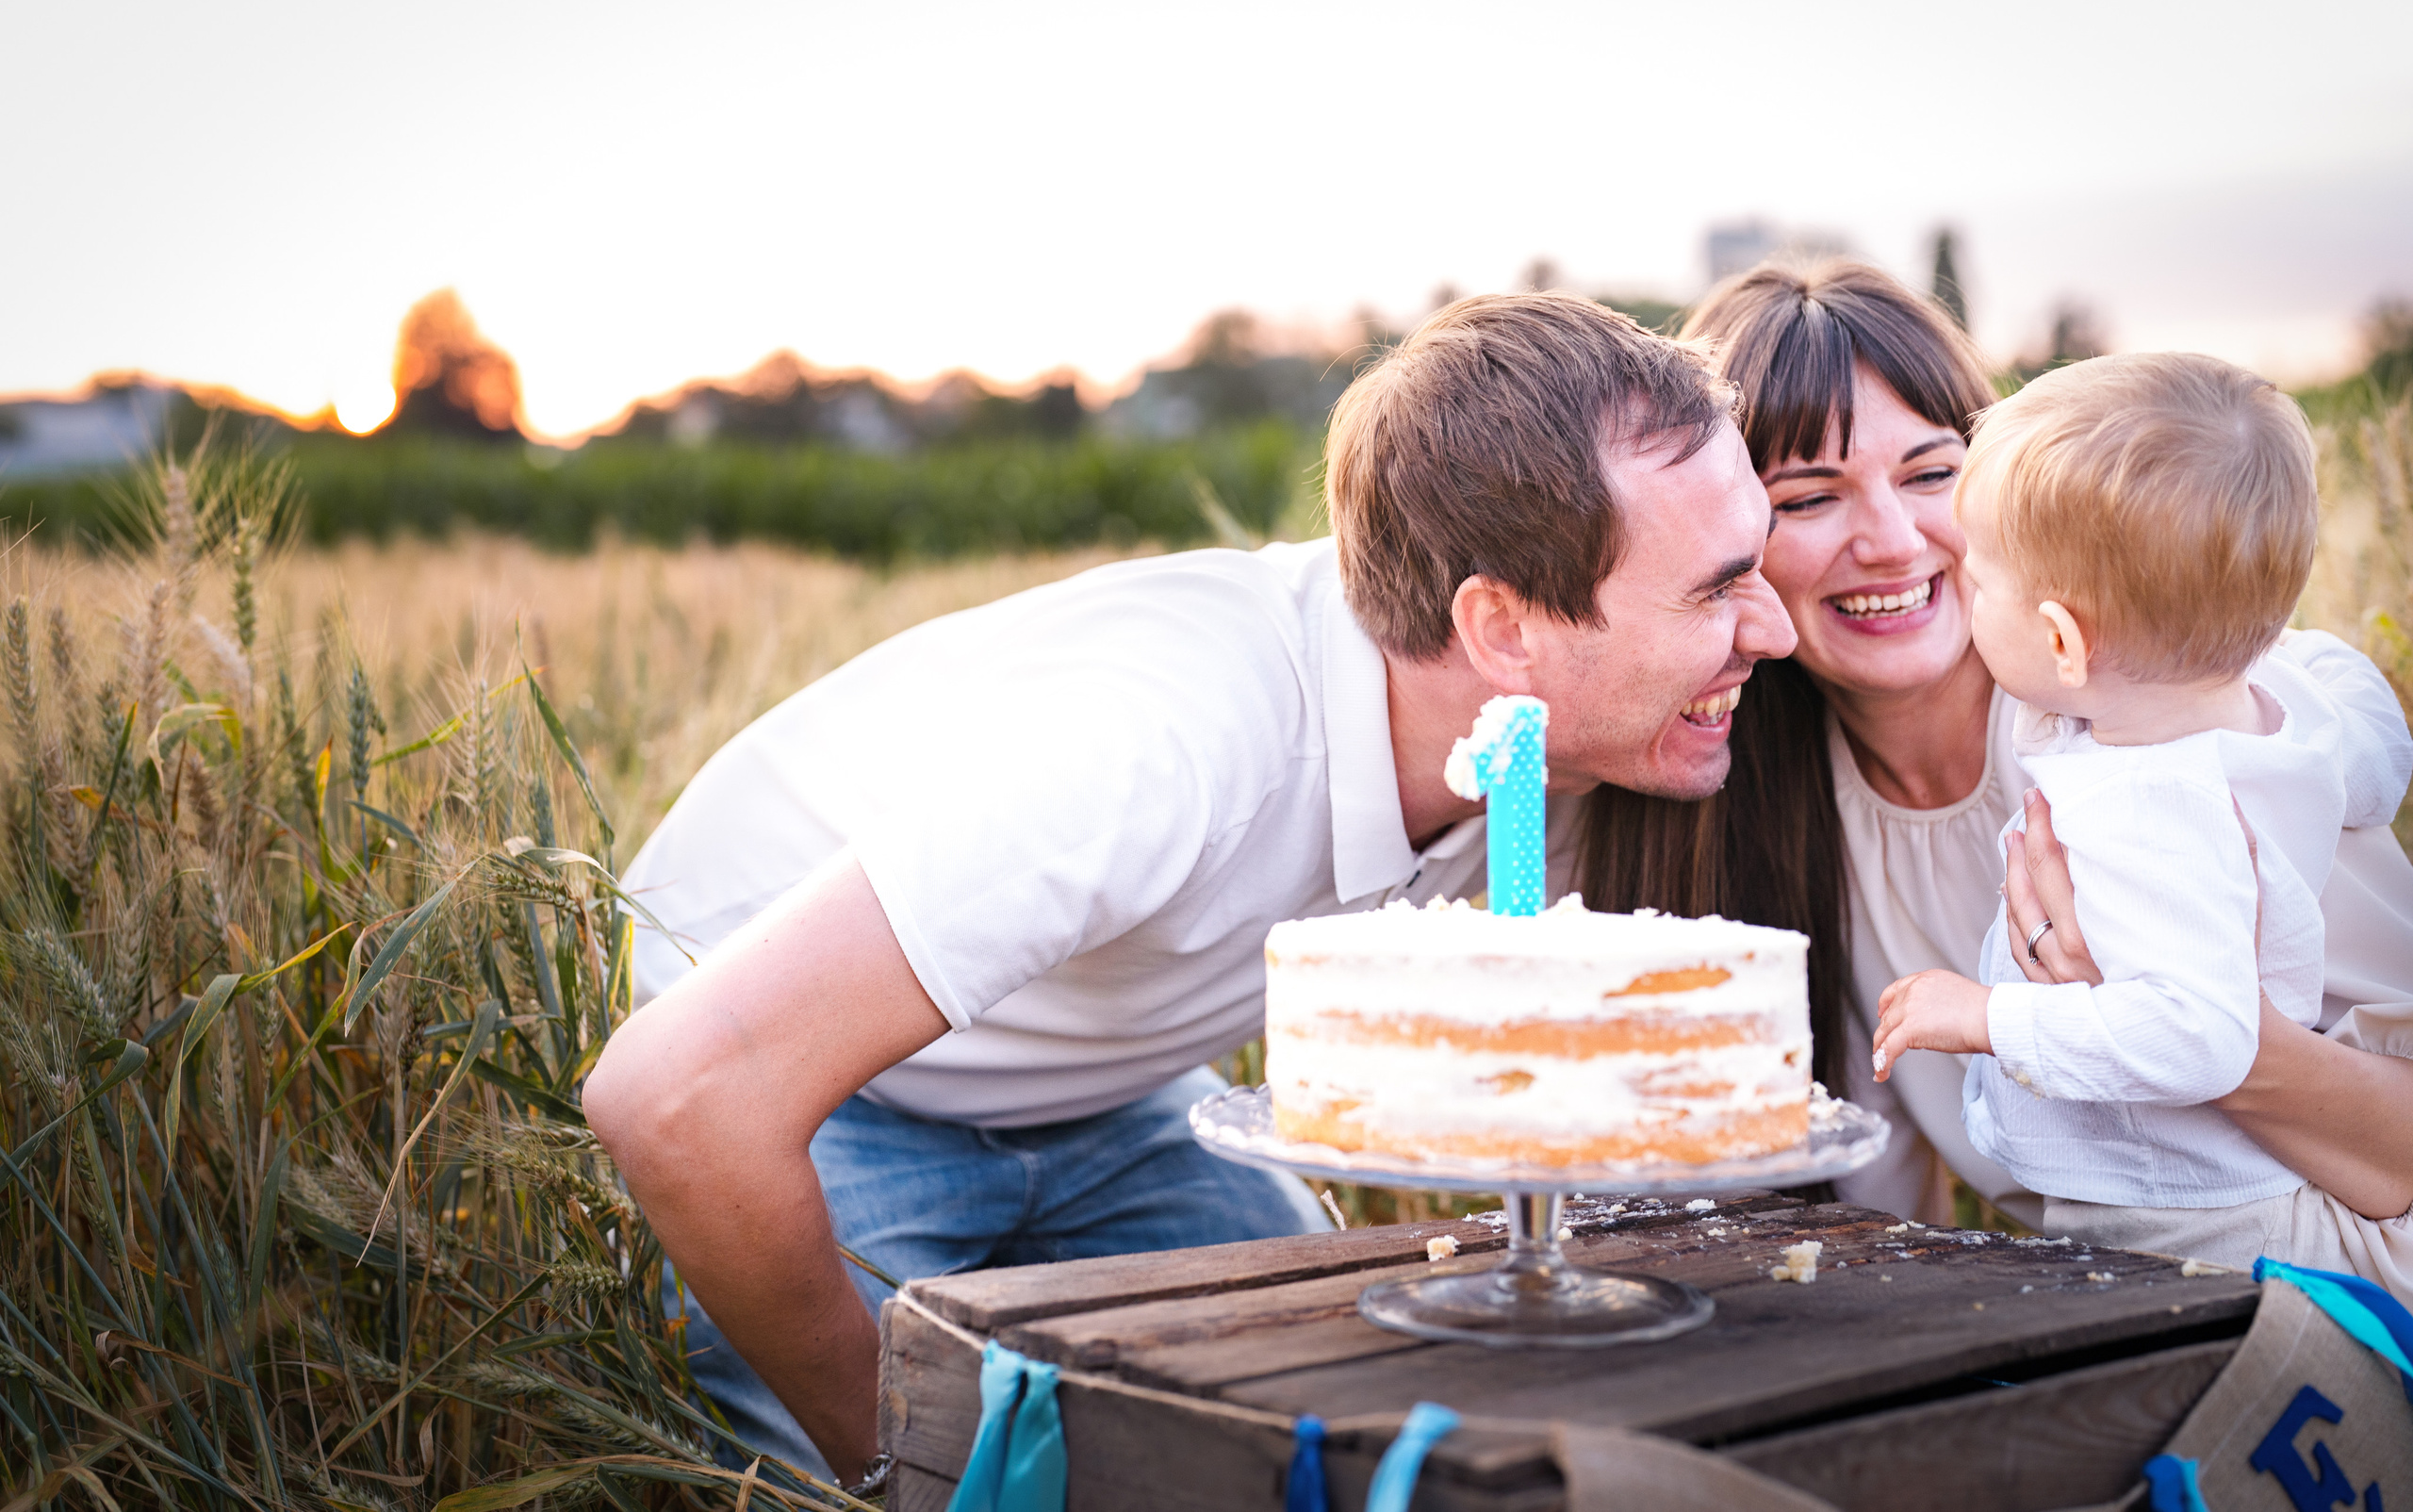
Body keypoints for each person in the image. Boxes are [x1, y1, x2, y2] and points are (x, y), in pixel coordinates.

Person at [583, 291, 1797, 1487]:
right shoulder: (1158, 743)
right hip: (803, 1085)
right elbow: (676, 1098)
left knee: (1321, 1420)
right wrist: (897, 1464)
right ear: (1503, 630)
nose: (1776, 630)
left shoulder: (1546, 751)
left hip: (1109, 1086)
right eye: (1716, 588)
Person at [1577, 258, 2413, 1243]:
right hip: (2114, 1292)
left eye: (1932, 474)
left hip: (2336, 1274)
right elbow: (1869, 1225)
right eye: (1808, 498)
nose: (1891, 540)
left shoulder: (2198, 730)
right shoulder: (1757, 810)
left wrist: (2144, 1010)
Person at [1867, 353, 2412, 1287]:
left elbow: (2202, 1035)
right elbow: (2367, 732)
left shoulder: (2142, 807)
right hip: (2245, 1197)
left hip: (2207, 1230)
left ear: (2061, 642)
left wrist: (1990, 1016)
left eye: (1982, 581)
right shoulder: (2285, 711)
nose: (1960, 585)